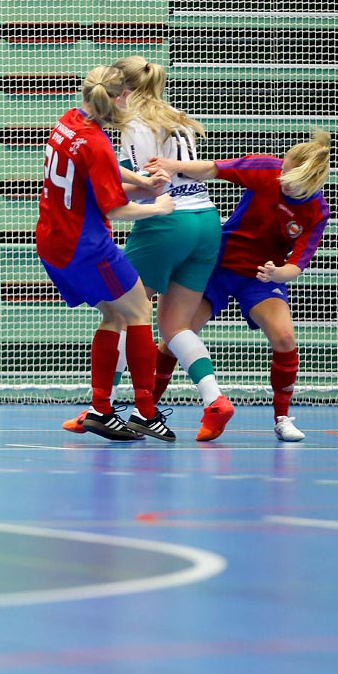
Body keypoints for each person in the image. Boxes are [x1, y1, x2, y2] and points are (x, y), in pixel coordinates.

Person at [150, 129, 332, 442]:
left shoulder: (317, 211)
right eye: (282, 167)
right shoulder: (265, 169)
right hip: (217, 267)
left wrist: (278, 274)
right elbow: (212, 168)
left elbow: (296, 265)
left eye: (287, 173)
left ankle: (282, 418)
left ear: (307, 182)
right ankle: (147, 410)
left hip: (261, 278)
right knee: (175, 335)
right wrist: (171, 163)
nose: (280, 175)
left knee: (285, 337)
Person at [37, 65, 176, 441]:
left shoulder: (67, 121)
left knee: (114, 315)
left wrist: (140, 181)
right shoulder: (97, 141)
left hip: (53, 244)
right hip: (86, 247)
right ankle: (145, 412)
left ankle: (101, 409)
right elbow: (115, 209)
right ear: (121, 98)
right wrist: (157, 205)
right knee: (139, 311)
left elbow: (103, 170)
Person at [113, 56, 235, 442]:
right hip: (205, 221)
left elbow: (151, 186)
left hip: (167, 222)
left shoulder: (133, 123)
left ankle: (104, 405)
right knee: (173, 326)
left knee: (121, 314)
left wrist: (102, 187)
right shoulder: (178, 118)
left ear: (123, 90)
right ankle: (214, 399)